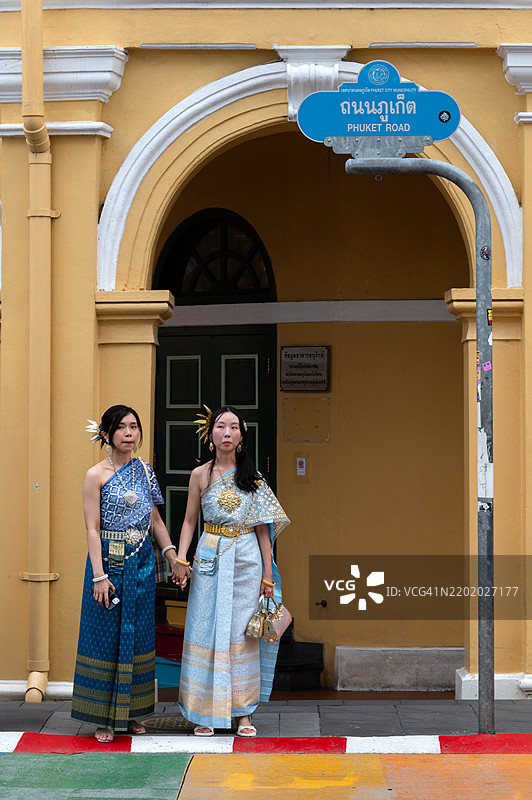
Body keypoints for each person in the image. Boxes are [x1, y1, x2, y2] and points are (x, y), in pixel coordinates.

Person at [175, 405, 290, 737]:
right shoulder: (200, 475)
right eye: (220, 426)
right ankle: (204, 712)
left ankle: (243, 713)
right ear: (210, 433)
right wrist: (182, 560)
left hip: (246, 562)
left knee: (242, 635)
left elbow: (263, 532)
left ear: (241, 435)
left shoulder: (253, 478)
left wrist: (268, 576)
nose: (226, 433)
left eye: (233, 427)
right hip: (210, 555)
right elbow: (189, 521)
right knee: (204, 629)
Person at [71, 404, 180, 743]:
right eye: (122, 427)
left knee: (139, 637)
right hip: (108, 561)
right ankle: (103, 717)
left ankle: (133, 714)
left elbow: (156, 521)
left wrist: (172, 555)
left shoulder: (145, 472)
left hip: (142, 560)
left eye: (134, 427)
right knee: (105, 635)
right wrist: (99, 575)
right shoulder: (96, 475)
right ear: (106, 433)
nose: (130, 434)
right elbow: (91, 528)